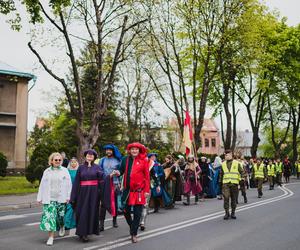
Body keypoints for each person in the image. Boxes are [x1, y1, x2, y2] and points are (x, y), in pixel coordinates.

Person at [114, 142, 150, 243]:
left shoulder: (144, 160)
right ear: (130, 150)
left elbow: (147, 177)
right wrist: (117, 172)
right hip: (127, 191)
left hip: (139, 191)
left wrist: (146, 191)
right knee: (125, 210)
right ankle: (132, 225)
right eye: (132, 149)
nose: (134, 151)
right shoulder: (125, 159)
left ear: (139, 150)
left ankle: (134, 234)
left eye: (136, 149)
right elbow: (120, 170)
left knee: (138, 214)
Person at [37, 152, 72, 246]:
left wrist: (69, 197)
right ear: (51, 161)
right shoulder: (47, 171)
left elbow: (69, 185)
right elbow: (42, 185)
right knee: (50, 218)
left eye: (59, 160)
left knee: (60, 216)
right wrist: (39, 197)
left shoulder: (65, 170)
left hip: (61, 198)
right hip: (49, 198)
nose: (58, 161)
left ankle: (61, 226)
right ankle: (51, 237)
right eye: (55, 160)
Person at [70, 149, 105, 242]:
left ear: (94, 157)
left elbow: (102, 179)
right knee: (82, 212)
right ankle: (82, 232)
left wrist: (110, 176)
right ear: (85, 157)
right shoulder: (80, 168)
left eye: (92, 155)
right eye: (88, 155)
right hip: (82, 193)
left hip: (94, 194)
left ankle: (88, 232)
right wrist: (73, 196)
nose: (90, 156)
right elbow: (76, 183)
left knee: (92, 212)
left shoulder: (97, 167)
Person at [99, 144, 122, 231]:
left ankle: (114, 220)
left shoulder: (117, 160)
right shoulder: (102, 160)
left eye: (110, 150)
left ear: (113, 151)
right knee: (103, 204)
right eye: (107, 150)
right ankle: (101, 224)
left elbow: (121, 171)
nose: (108, 151)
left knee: (114, 203)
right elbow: (99, 171)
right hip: (105, 184)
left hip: (115, 184)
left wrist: (118, 173)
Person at [219, 150, 245, 220]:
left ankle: (233, 212)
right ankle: (227, 213)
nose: (226, 156)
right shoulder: (223, 164)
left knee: (234, 199)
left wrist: (242, 178)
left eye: (227, 155)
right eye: (225, 155)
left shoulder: (237, 163)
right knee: (226, 198)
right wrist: (220, 182)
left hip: (234, 184)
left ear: (231, 155)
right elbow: (221, 174)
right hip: (226, 184)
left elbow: (242, 171)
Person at [64, 158, 79, 230]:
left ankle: (74, 223)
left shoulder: (79, 171)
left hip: (78, 191)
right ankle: (66, 224)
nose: (73, 163)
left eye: (75, 162)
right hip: (69, 191)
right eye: (72, 162)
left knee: (76, 208)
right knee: (69, 207)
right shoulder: (67, 171)